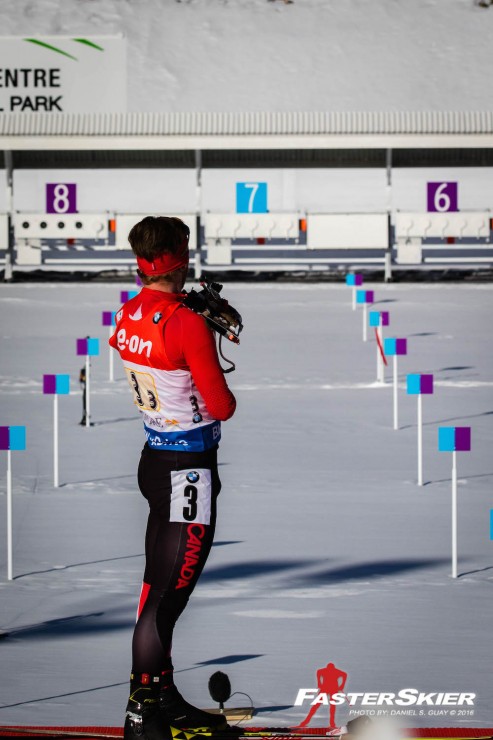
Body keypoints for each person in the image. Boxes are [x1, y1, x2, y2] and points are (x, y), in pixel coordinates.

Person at [109, 216, 237, 740]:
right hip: (188, 470)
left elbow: (151, 343)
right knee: (169, 597)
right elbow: (222, 406)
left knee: (154, 588)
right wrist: (201, 328)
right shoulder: (185, 321)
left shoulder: (129, 310)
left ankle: (158, 696)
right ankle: (143, 712)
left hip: (155, 459)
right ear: (180, 258)